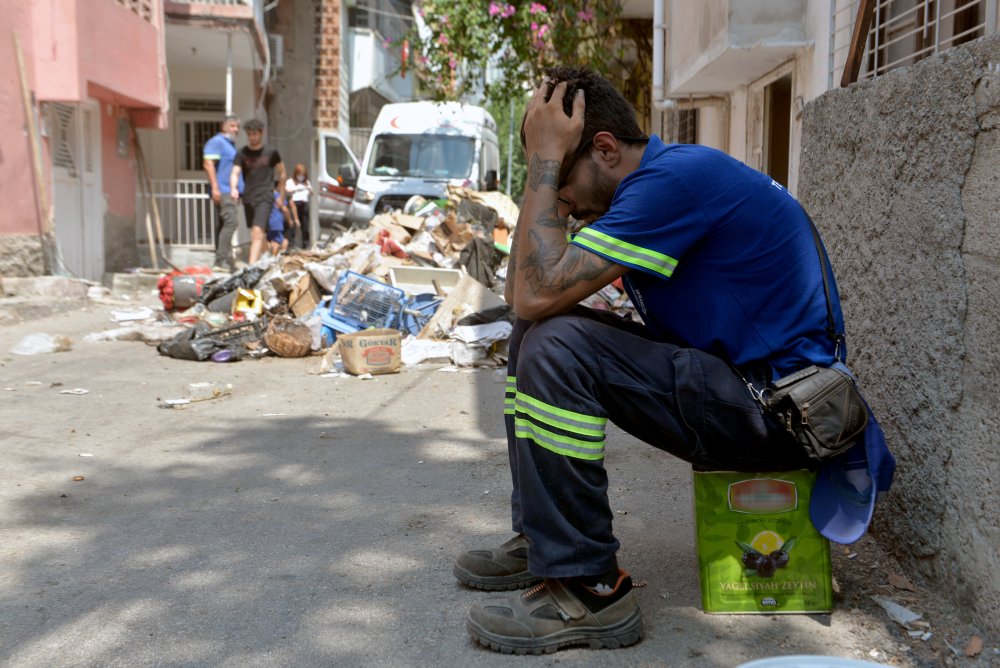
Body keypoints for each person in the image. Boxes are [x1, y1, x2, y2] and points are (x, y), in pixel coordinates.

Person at [454, 67, 895, 655]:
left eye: (563, 186)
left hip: (781, 415)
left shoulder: (674, 183)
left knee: (558, 347)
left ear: (604, 149)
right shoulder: (659, 179)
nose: (561, 205)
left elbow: (533, 286)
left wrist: (543, 162)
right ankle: (545, 539)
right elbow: (526, 295)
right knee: (537, 327)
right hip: (744, 390)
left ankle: (589, 588)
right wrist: (551, 165)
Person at [230, 118, 287, 264]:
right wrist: (233, 189)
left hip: (265, 196)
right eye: (249, 134)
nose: (252, 137)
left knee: (256, 234)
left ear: (261, 134)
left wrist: (281, 196)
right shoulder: (242, 153)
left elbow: (282, 173)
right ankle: (271, 256)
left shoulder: (271, 152)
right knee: (257, 235)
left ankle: (250, 268)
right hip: (248, 197)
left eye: (255, 134)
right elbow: (235, 173)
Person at [203, 115, 243, 272]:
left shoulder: (230, 145)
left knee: (223, 225)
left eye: (237, 127)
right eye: (232, 126)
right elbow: (208, 164)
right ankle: (221, 260)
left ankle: (225, 259)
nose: (236, 129)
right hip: (222, 190)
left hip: (228, 191)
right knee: (231, 222)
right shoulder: (217, 142)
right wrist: (215, 188)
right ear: (223, 126)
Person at [285, 163, 313, 249]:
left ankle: (306, 244)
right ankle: (291, 245)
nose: (301, 177)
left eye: (303, 175)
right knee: (293, 225)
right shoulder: (290, 182)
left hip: (304, 204)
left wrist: (308, 189)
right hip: (294, 204)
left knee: (305, 225)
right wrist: (296, 188)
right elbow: (287, 191)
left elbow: (312, 192)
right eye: (299, 175)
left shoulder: (306, 182)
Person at [267, 181, 290, 256]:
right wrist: (290, 220)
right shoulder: (279, 196)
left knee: (270, 240)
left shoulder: (268, 196)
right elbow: (285, 209)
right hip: (277, 222)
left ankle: (270, 256)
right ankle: (277, 257)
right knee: (279, 241)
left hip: (268, 222)